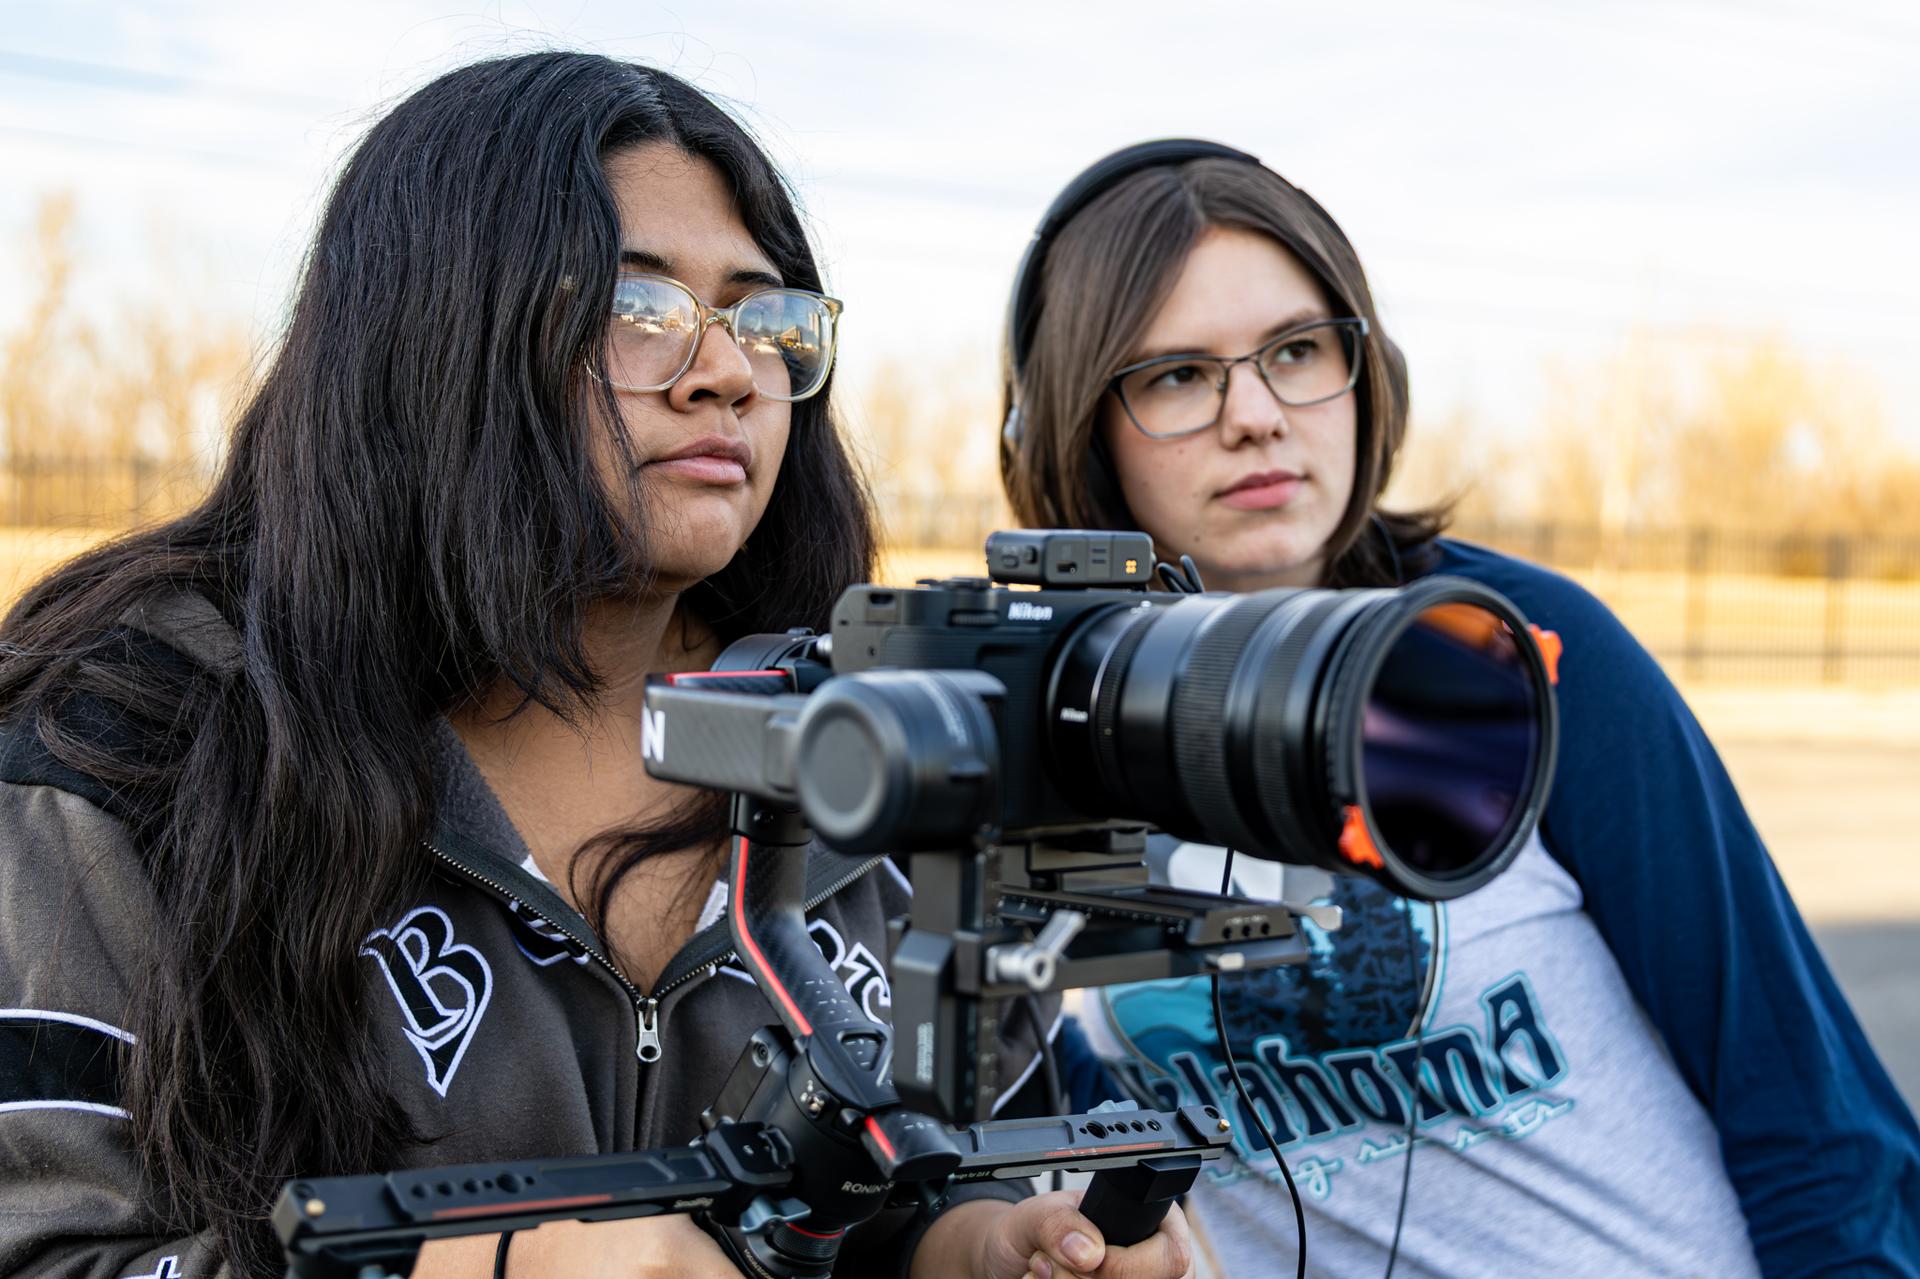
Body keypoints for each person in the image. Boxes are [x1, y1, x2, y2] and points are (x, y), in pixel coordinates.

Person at [0, 56, 1194, 1279]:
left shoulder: (889, 733)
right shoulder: (130, 743)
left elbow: (927, 1183)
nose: (729, 371)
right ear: (435, 331)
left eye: (764, 319)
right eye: (639, 307)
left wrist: (979, 1248)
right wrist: (480, 1271)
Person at [1000, 139, 1920, 1277]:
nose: (1256, 415)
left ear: (1366, 373)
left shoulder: (1513, 648)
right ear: (1072, 425)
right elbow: (1052, 1122)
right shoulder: (1039, 721)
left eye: (1296, 350)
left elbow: (1807, 1106)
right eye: (1178, 375)